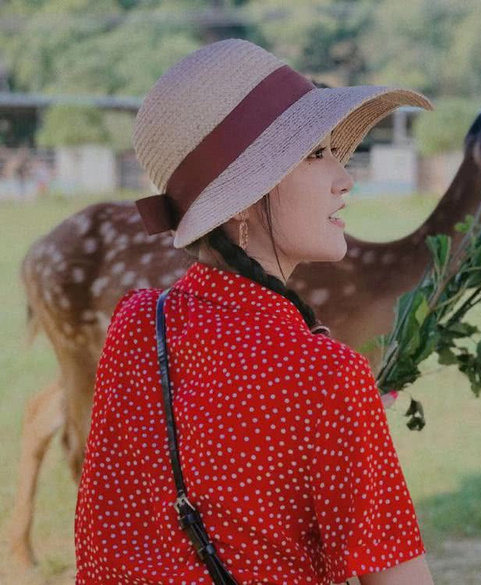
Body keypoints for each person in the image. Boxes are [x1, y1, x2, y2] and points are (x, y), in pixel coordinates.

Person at [74, 38, 435, 585]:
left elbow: (104, 545)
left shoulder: (137, 325)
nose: (345, 178)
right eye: (316, 155)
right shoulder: (327, 376)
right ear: (242, 196)